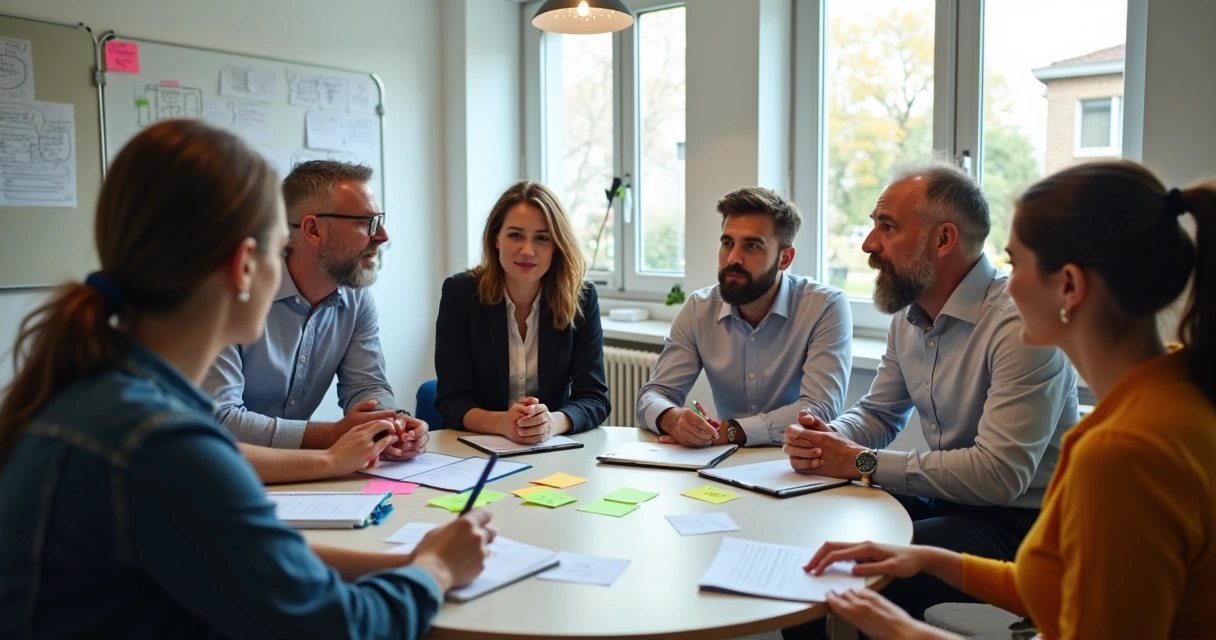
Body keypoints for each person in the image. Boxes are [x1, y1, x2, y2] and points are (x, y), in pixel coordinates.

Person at [0, 120, 494, 638]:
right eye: (278, 248)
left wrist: (408, 561)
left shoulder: (99, 396)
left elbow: (251, 554)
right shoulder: (165, 446)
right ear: (243, 267)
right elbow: (339, 629)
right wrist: (434, 571)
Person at [805, 161, 1216, 640]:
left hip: (1009, 517)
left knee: (835, 592)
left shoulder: (1120, 451)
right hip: (966, 508)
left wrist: (910, 634)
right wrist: (928, 559)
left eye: (1015, 264)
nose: (1007, 283)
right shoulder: (1169, 396)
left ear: (1069, 287)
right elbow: (1065, 588)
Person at [782, 158, 1078, 631]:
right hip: (949, 500)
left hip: (1023, 524)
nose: (868, 244)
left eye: (888, 226)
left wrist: (859, 461)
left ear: (943, 240)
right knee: (815, 544)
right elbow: (880, 412)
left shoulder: (1018, 324)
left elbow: (998, 476)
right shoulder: (909, 313)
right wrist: (828, 438)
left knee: (838, 579)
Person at [203, 160, 429, 463]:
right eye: (366, 222)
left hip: (301, 474)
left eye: (380, 220)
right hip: (221, 468)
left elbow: (367, 387)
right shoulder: (233, 293)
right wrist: (332, 435)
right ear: (312, 229)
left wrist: (391, 425)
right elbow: (220, 421)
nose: (382, 235)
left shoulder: (357, 298)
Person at [637, 187, 852, 448]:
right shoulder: (699, 309)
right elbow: (652, 396)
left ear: (785, 258)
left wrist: (730, 432)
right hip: (724, 459)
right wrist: (672, 418)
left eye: (752, 246)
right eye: (727, 243)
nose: (733, 258)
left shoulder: (824, 307)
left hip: (798, 458)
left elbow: (820, 409)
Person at [435, 181, 609, 442]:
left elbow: (595, 399)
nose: (527, 251)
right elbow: (451, 401)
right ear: (496, 238)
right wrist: (503, 423)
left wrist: (551, 423)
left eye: (542, 238)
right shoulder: (460, 294)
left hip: (550, 448)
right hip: (479, 449)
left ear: (556, 246)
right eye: (515, 235)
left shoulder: (581, 299)